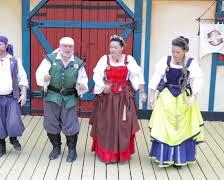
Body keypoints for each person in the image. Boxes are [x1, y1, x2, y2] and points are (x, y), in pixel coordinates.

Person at [89, 34, 147, 163]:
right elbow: (97, 75)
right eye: (111, 47)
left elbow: (137, 75)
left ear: (122, 48)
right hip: (108, 97)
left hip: (123, 98)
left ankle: (121, 152)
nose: (112, 50)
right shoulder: (105, 59)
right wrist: (103, 86)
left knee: (123, 124)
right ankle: (107, 153)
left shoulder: (128, 59)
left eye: (115, 47)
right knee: (107, 123)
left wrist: (142, 92)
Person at [148, 36, 204, 167]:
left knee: (182, 128)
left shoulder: (191, 63)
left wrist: (193, 96)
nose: (175, 54)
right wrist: (152, 95)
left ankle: (180, 158)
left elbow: (197, 80)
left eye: (178, 52)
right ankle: (164, 156)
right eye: (173, 51)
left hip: (184, 98)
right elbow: (157, 77)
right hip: (167, 97)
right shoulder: (166, 61)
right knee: (164, 128)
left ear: (185, 51)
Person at [35, 37, 89, 162]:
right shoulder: (50, 59)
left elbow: (83, 79)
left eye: (70, 46)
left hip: (69, 98)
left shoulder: (78, 63)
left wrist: (82, 85)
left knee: (71, 124)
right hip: (52, 96)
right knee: (51, 123)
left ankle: (71, 150)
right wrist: (45, 78)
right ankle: (56, 148)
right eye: (65, 46)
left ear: (73, 48)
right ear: (60, 46)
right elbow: (40, 74)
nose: (67, 49)